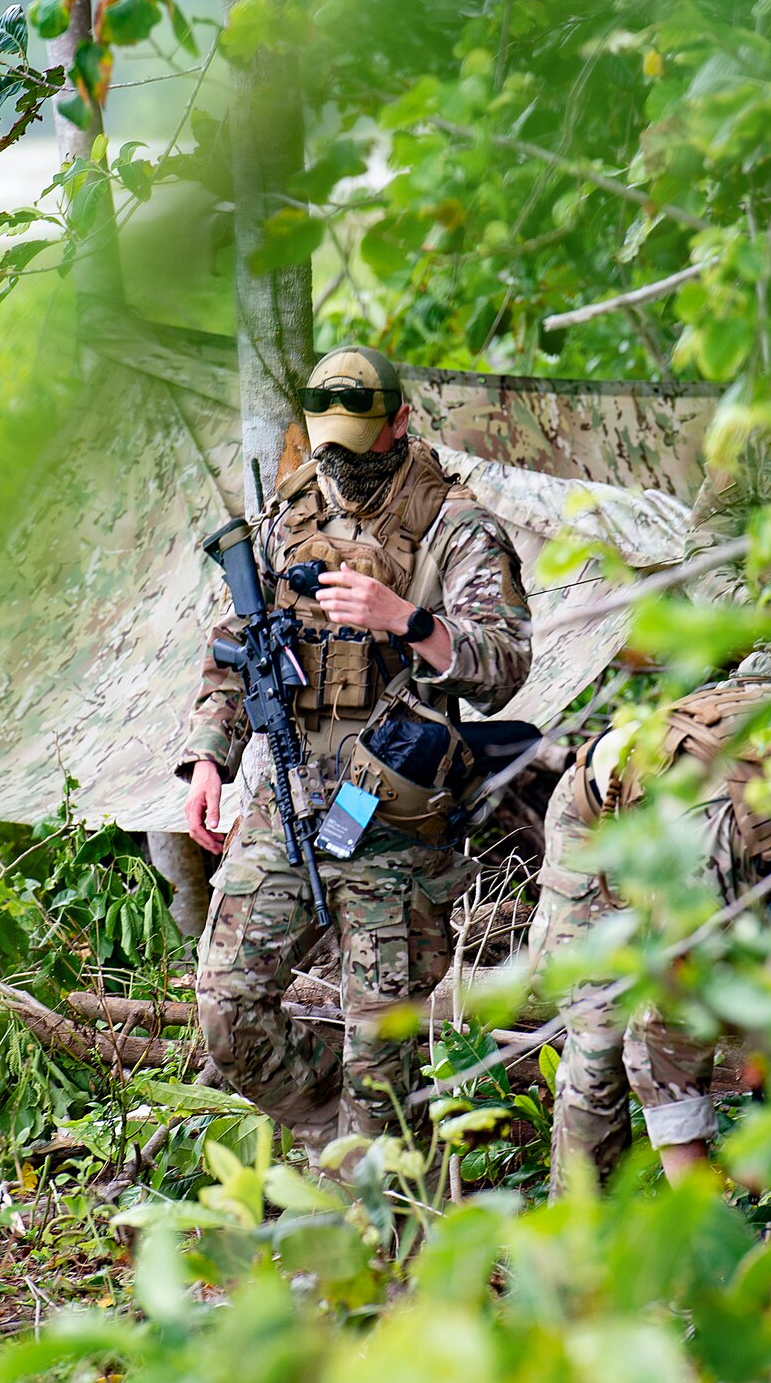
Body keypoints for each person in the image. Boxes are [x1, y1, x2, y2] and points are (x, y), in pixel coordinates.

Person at [177, 345, 533, 1152]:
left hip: (396, 820)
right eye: (326, 440)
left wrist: (407, 619)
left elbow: (504, 665)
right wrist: (209, 758)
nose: (338, 460)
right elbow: (236, 645)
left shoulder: (456, 525)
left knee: (382, 1051)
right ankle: (341, 1131)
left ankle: (371, 1175)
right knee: (227, 1009)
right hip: (290, 800)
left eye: (356, 440)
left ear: (400, 422)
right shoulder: (285, 523)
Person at [531, 646, 771, 1192]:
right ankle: (581, 1248)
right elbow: (662, 1038)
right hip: (600, 819)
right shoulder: (714, 870)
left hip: (723, 810)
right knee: (600, 1047)